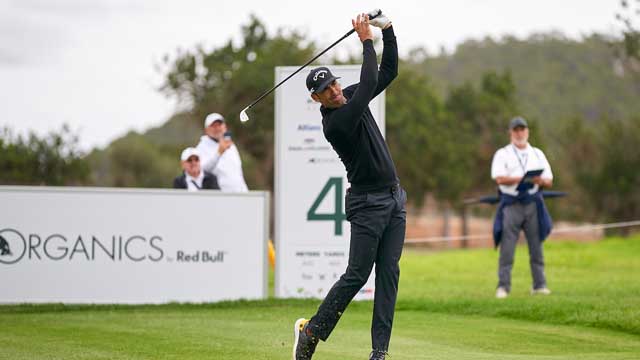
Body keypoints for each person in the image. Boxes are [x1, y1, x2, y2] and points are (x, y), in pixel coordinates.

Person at [293, 10, 405, 360]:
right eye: (327, 90)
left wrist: (388, 30)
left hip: (394, 199)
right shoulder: (336, 122)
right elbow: (369, 83)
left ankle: (379, 352)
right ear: (317, 99)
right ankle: (311, 331)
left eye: (335, 83)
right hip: (367, 204)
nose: (335, 90)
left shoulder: (348, 97)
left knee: (388, 275)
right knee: (357, 275)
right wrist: (365, 40)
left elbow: (388, 73)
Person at [491, 116, 554, 299]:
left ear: (527, 131)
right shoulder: (503, 154)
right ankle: (503, 287)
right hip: (511, 204)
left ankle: (539, 285)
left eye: (522, 129)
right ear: (511, 133)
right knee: (508, 248)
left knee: (536, 246)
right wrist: (521, 179)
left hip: (532, 203)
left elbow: (549, 180)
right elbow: (499, 178)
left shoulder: (537, 154)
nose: (519, 133)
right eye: (516, 130)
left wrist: (538, 180)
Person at [195, 112, 249, 192]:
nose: (217, 128)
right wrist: (219, 153)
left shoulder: (231, 146)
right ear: (206, 130)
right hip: (219, 197)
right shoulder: (200, 148)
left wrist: (245, 191)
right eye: (213, 126)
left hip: (239, 194)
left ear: (225, 127)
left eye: (219, 125)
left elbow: (238, 173)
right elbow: (202, 170)